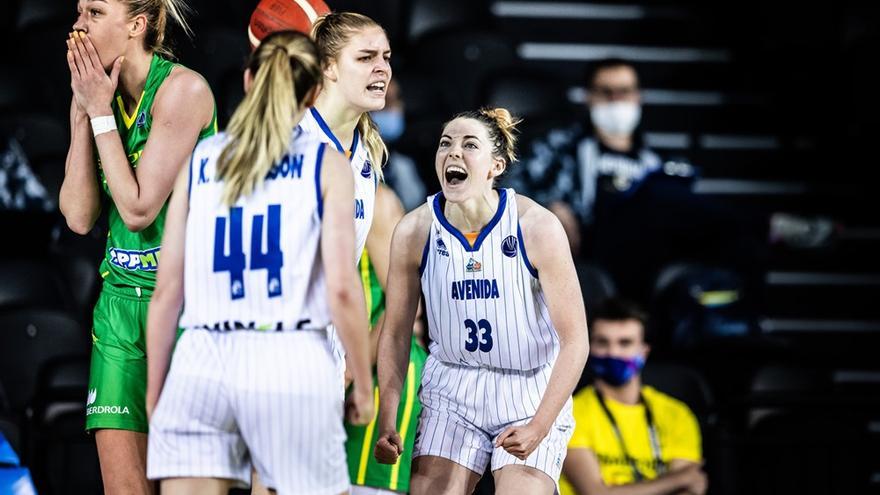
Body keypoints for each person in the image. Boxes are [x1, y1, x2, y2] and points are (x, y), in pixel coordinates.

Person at [144, 30, 374, 494]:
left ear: (249, 80)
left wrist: (156, 390)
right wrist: (364, 384)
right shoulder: (326, 163)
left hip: (203, 356)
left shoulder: (204, 158)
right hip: (289, 355)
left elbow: (168, 290)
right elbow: (344, 289)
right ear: (313, 94)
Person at [374, 107, 590, 495]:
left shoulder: (536, 226)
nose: (453, 153)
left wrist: (540, 425)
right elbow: (395, 334)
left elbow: (576, 341)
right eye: (446, 144)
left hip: (529, 388)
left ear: (495, 166)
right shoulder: (414, 230)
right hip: (453, 385)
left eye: (468, 145)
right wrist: (387, 417)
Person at [507, 58, 835, 304]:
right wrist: (549, 208)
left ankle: (746, 321)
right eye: (606, 92)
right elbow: (511, 184)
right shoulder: (562, 146)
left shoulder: (653, 159)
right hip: (599, 243)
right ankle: (769, 224)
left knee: (736, 242)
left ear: (638, 97)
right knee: (655, 196)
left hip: (652, 248)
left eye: (624, 92)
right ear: (589, 98)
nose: (615, 100)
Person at [59, 0, 216, 492]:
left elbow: (138, 209)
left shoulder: (183, 90)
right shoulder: (92, 95)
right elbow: (80, 216)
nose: (79, 23)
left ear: (136, 26)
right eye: (80, 10)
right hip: (120, 307)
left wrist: (100, 113)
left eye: (95, 12)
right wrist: (86, 112)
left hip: (187, 310)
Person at [560, 298, 707, 495]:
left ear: (644, 351)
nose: (613, 352)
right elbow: (595, 493)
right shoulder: (570, 414)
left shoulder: (676, 414)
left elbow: (688, 490)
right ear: (589, 348)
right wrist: (678, 479)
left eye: (625, 343)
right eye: (602, 342)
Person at [371, 79, 427, 212]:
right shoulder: (354, 161)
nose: (393, 107)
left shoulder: (403, 166)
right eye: (385, 100)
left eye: (396, 99)